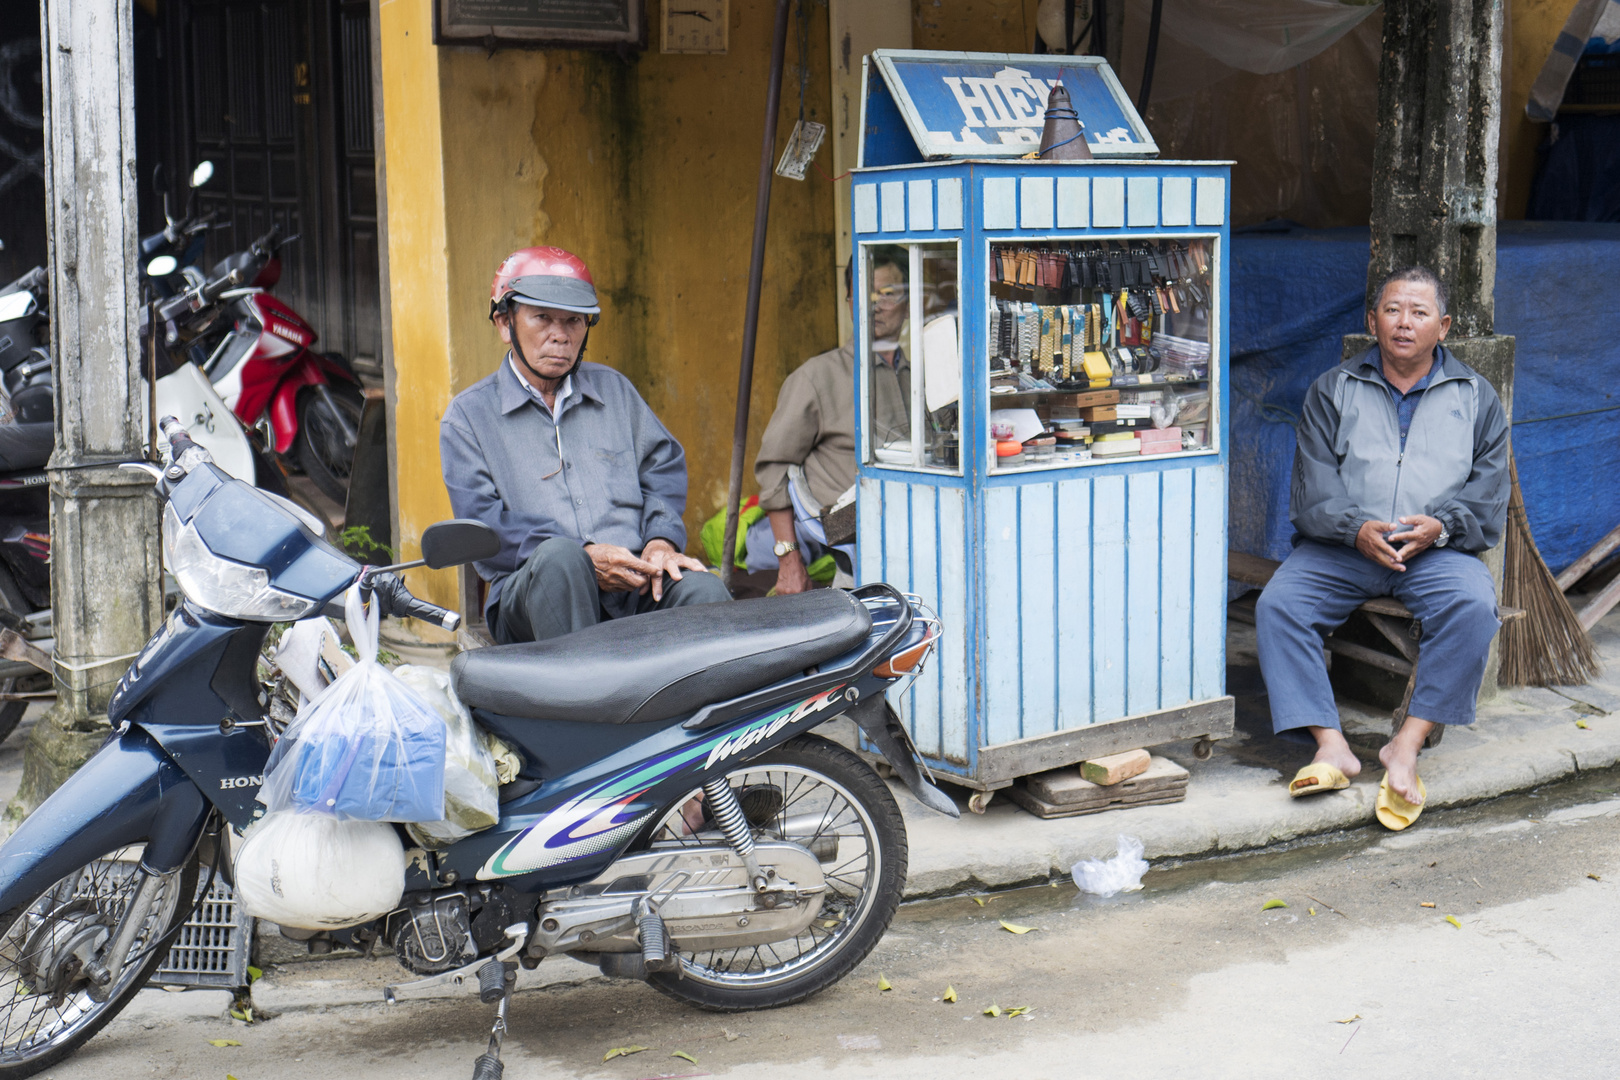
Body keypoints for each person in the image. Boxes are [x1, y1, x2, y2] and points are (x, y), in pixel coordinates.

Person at [1254, 265, 1509, 830]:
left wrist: (1440, 527)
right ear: (1372, 321)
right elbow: (1312, 490)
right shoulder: (1334, 389)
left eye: (1419, 313)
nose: (1404, 323)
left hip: (1434, 550)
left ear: (1442, 326)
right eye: (1392, 310)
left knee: (1474, 606)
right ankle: (1330, 745)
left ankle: (1406, 745)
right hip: (1346, 546)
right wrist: (1354, 529)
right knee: (1278, 607)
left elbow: (1489, 494)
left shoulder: (1475, 396)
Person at [440, 246, 730, 643]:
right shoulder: (468, 417)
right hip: (532, 595)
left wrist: (660, 541)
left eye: (574, 321)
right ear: (505, 323)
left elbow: (662, 467)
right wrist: (584, 555)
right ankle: (590, 704)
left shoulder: (615, 390)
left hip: (632, 584)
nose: (560, 335)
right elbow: (483, 526)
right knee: (562, 560)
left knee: (706, 590)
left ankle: (695, 707)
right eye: (543, 318)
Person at [749, 257, 911, 594]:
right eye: (864, 294)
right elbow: (773, 469)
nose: (875, 306)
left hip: (919, 534)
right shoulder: (816, 377)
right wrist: (789, 560)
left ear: (909, 302)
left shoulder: (922, 377)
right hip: (858, 545)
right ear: (850, 304)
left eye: (887, 293)